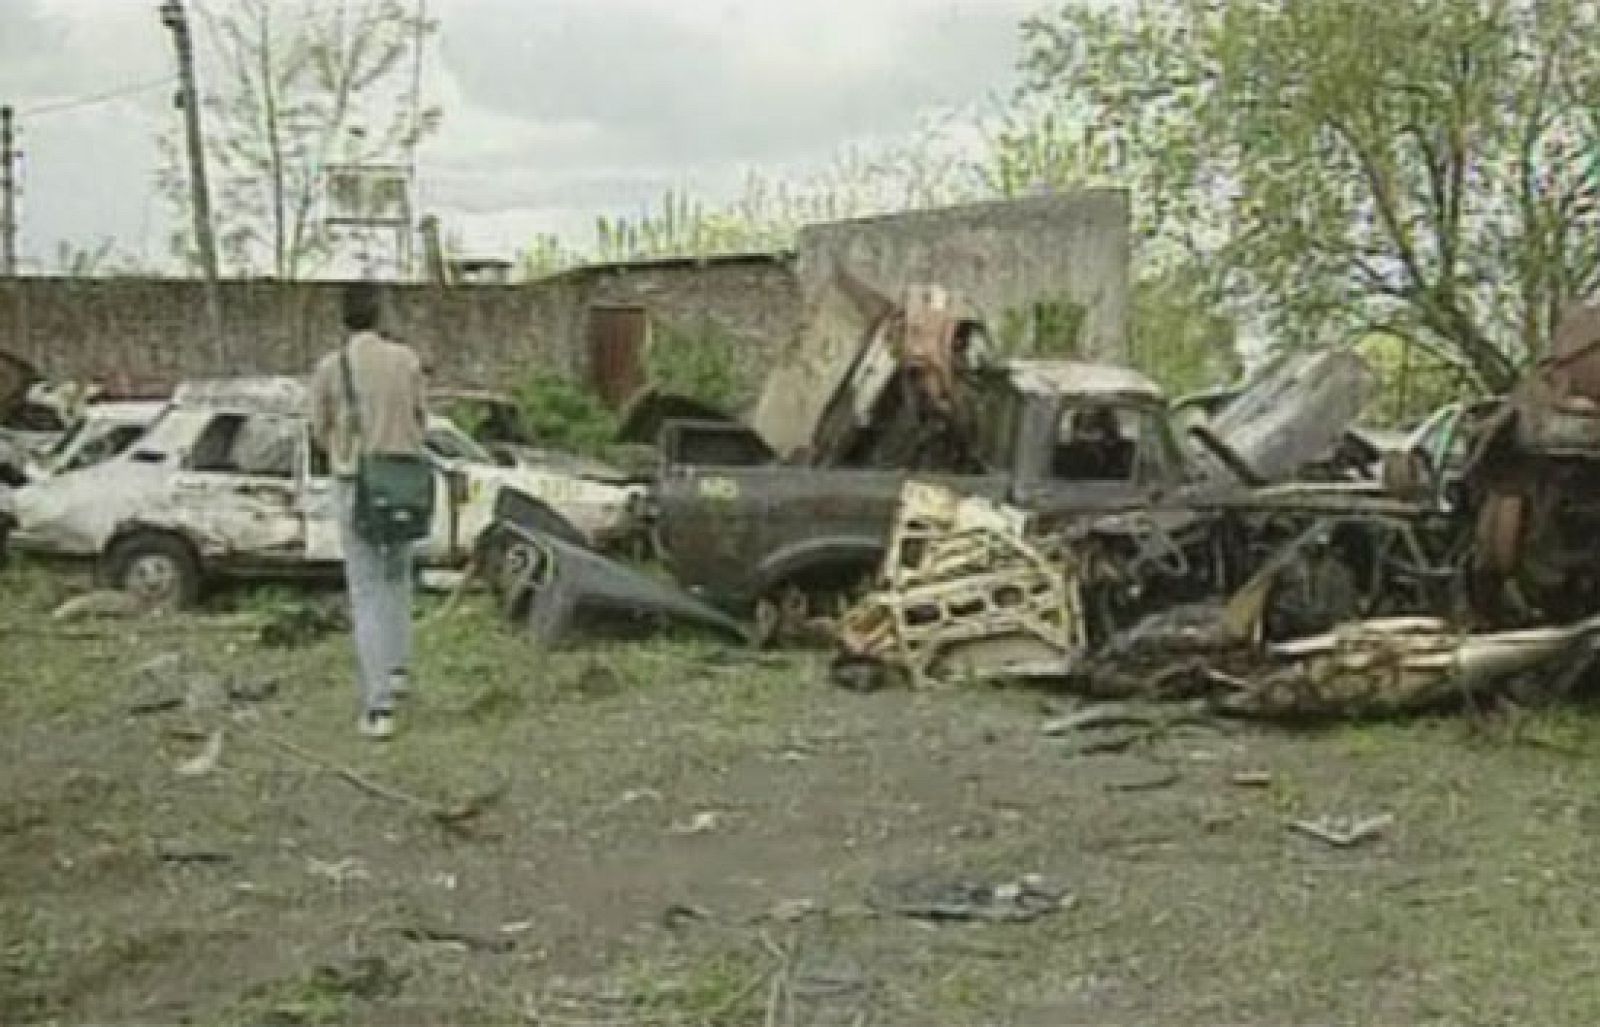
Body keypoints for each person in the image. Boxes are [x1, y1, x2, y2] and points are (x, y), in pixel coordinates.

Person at [309, 282, 428, 739]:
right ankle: (397, 672)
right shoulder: (407, 360)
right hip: (405, 482)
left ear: (343, 318)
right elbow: (422, 420)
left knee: (366, 592)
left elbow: (317, 428)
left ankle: (378, 708)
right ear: (380, 314)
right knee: (398, 578)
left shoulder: (330, 368)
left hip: (356, 484)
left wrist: (348, 448)